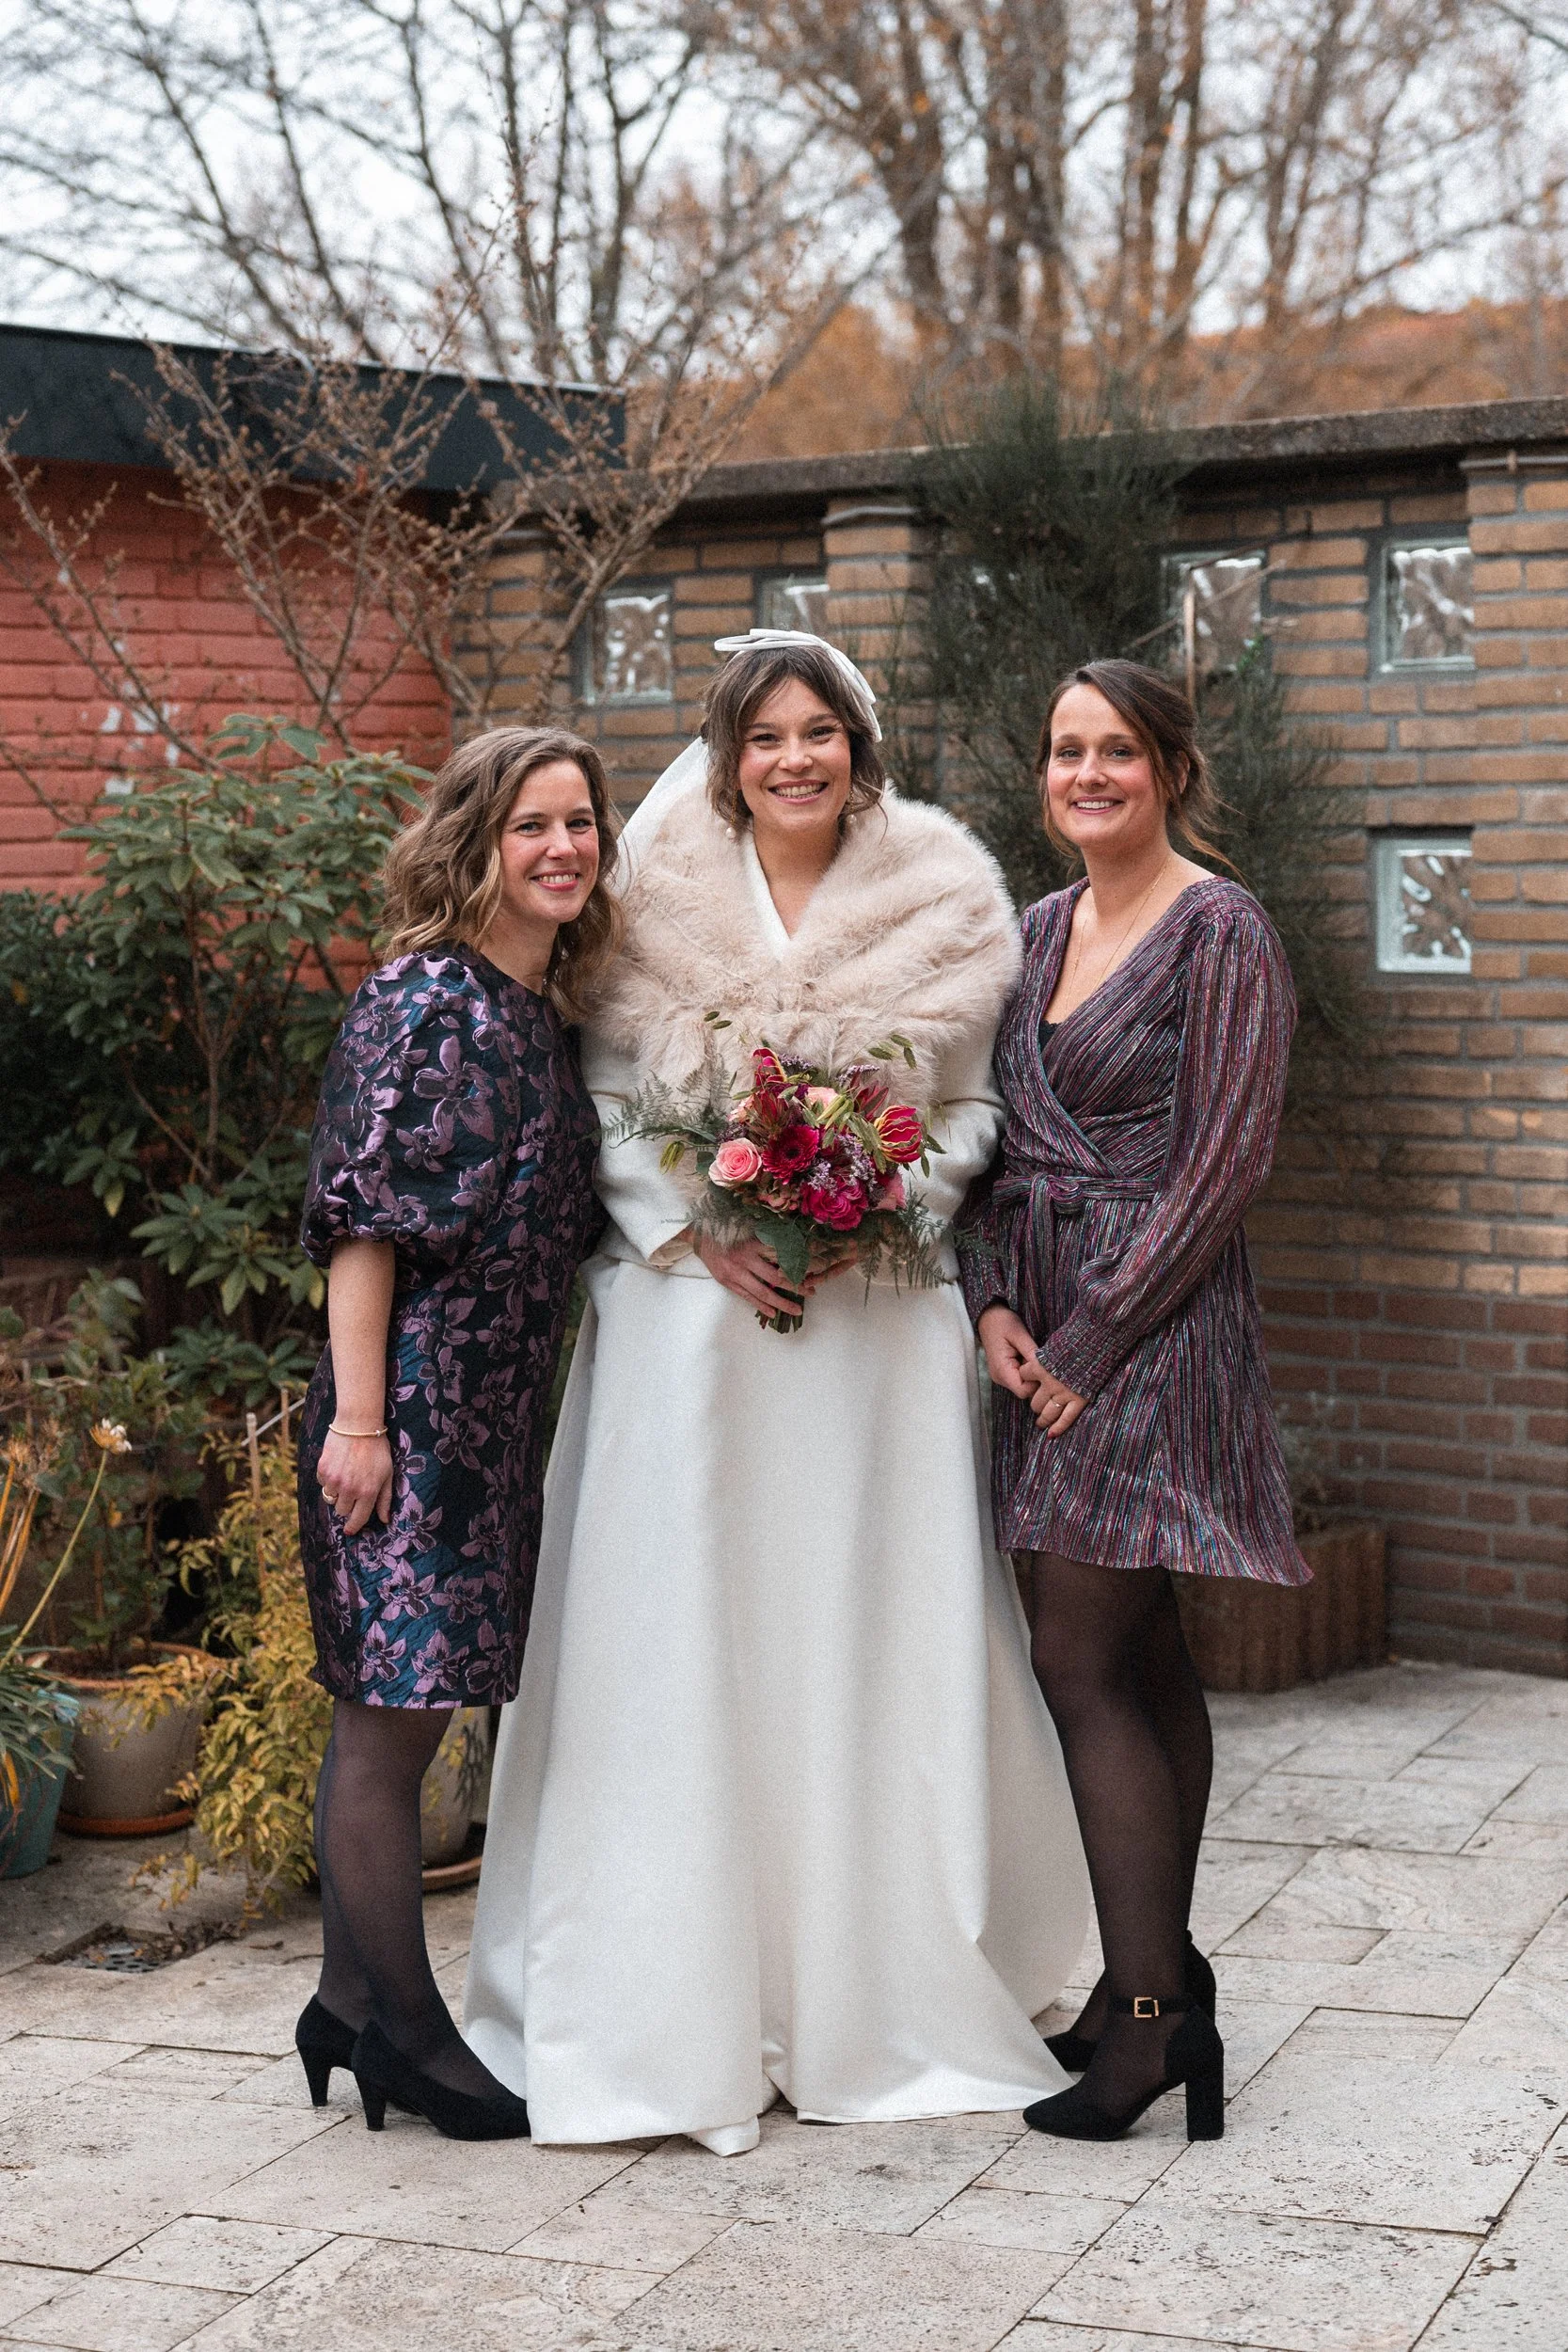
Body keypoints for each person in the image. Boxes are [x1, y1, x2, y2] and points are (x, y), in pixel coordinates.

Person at [466, 629, 1089, 2153]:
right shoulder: (648, 900)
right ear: (729, 757)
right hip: (693, 1331)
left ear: (856, 747)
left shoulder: (947, 898)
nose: (794, 759)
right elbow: (606, 1101)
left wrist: (877, 1197)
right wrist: (697, 1230)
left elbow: (974, 1108)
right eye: (765, 738)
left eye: (819, 732)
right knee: (686, 1631)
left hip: (871, 1337)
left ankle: (887, 1971)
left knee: (863, 1625)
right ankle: (670, 1983)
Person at [959, 658, 1307, 2146]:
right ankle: (1152, 1981)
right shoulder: (1034, 932)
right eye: (1061, 751)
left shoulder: (1220, 930)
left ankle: (1150, 2019)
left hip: (1148, 1333)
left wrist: (1092, 1341)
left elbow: (1224, 1166)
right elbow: (981, 1138)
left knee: (1078, 1658)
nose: (1083, 774)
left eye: (1113, 751)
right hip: (1033, 1328)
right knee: (1143, 1648)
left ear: (1166, 768)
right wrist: (987, 1301)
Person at [292, 725, 620, 2140]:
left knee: (402, 1716)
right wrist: (361, 1421)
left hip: (486, 1423)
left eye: (579, 824)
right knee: (392, 1724)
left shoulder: (539, 1008)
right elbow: (362, 1226)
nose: (560, 848)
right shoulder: (425, 1001)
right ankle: (409, 2038)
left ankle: (340, 2002)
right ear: (475, 842)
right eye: (529, 825)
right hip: (409, 1416)